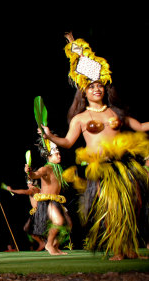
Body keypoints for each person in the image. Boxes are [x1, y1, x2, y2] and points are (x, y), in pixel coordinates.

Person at [41, 32, 149, 260]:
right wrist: (50, 136)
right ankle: (118, 249)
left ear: (105, 88)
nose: (96, 89)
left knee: (130, 208)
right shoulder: (80, 118)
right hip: (100, 169)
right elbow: (68, 142)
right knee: (110, 210)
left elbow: (140, 126)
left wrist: (79, 51)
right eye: (91, 87)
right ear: (84, 91)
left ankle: (129, 248)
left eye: (99, 85)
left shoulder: (116, 112)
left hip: (123, 167)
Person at [24, 139, 70, 255]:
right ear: (49, 156)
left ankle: (55, 245)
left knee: (68, 224)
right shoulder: (46, 168)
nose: (59, 156)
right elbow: (35, 175)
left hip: (56, 200)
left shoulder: (57, 169)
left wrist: (46, 136)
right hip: (47, 201)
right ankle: (49, 244)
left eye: (59, 153)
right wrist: (29, 173)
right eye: (57, 154)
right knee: (58, 221)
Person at [7, 181, 45, 251]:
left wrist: (12, 190)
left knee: (28, 228)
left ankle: (43, 243)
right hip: (37, 212)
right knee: (31, 229)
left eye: (28, 182)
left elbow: (24, 192)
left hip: (38, 212)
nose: (27, 184)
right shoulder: (38, 189)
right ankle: (44, 243)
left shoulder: (33, 189)